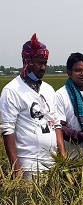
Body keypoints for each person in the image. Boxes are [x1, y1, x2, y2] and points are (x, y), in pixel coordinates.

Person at [0, 33, 66, 179]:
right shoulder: (12, 90)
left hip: (53, 163)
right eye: (39, 63)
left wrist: (62, 155)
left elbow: (56, 124)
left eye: (45, 63)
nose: (43, 67)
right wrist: (15, 167)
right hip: (29, 165)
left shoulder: (48, 90)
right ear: (27, 61)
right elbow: (7, 130)